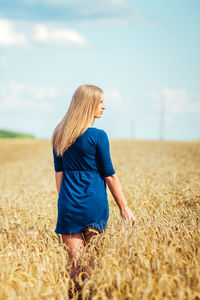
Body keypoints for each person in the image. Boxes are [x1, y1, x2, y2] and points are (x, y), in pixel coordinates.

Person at [51, 84, 137, 291]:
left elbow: (59, 174)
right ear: (87, 105)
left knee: (75, 265)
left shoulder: (59, 134)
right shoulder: (98, 136)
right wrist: (124, 208)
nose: (104, 107)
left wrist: (64, 202)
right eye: (100, 102)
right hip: (94, 205)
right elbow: (110, 175)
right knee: (91, 265)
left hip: (68, 205)